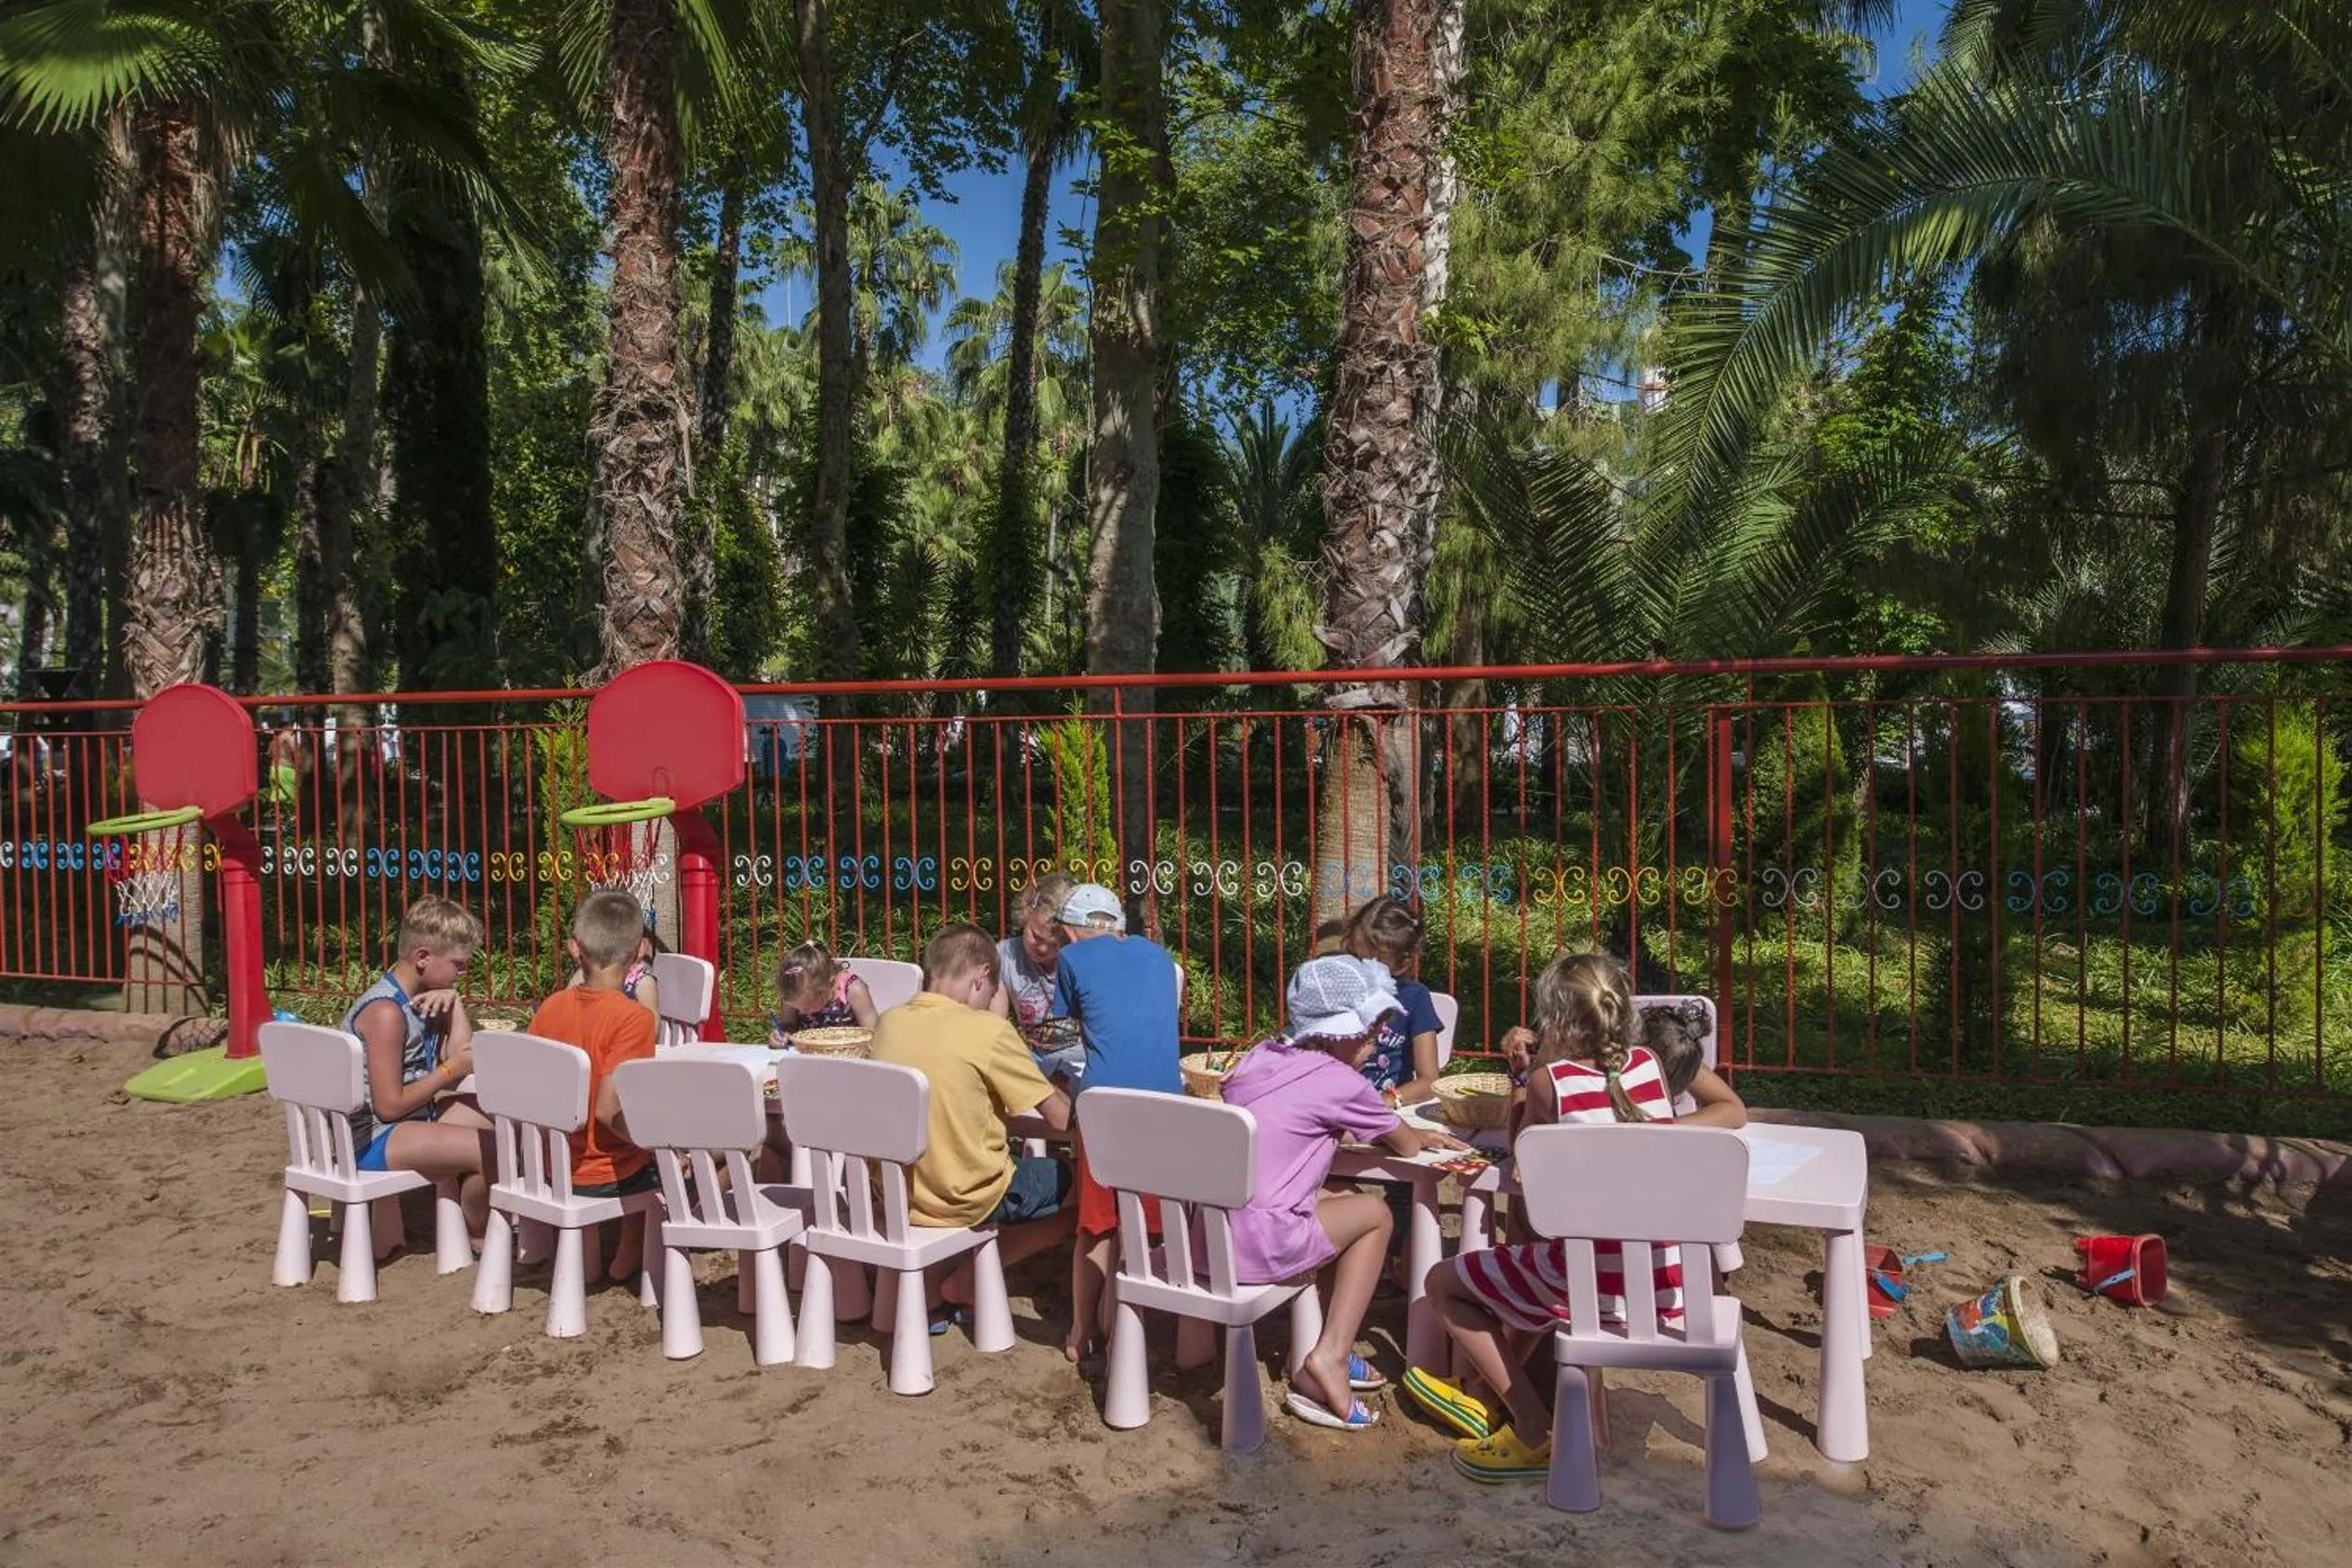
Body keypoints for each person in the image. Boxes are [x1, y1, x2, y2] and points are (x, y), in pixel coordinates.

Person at [1406, 952, 1747, 1483]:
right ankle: (1481, 1393)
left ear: (1558, 1022)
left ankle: (1532, 1424)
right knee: (1531, 1267)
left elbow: (1525, 1154)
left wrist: (1524, 1073)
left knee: (1443, 1283)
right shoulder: (1649, 1067)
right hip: (1669, 1286)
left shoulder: (1552, 1083)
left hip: (1587, 1286)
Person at [1219, 956, 1470, 1430]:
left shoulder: (1259, 1058)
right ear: (1340, 1032)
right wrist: (1408, 1134)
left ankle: (1315, 1341)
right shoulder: (1341, 1082)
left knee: (1342, 1194)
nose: (1376, 1046)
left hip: (1216, 1230)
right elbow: (1406, 1143)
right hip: (1263, 1244)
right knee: (1376, 1214)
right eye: (1370, 1033)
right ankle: (1330, 1355)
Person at [870, 922, 1077, 1324]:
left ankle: (942, 1283)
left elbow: (962, 1109)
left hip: (901, 1193)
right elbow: (1061, 1118)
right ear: (982, 976)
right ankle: (967, 1280)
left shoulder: (889, 1023)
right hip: (968, 1196)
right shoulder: (987, 1031)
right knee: (1084, 1192)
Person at [1048, 882, 1182, 1361]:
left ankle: (1082, 1331)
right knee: (1143, 1223)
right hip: (1168, 1105)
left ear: (1074, 929)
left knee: (1095, 1224)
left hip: (1107, 1107)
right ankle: (1129, 1324)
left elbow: (1069, 1026)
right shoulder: (1162, 958)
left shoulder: (1073, 960)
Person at [525, 889, 660, 1283]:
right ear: (639, 950)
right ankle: (630, 1255)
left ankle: (593, 1258)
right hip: (603, 1173)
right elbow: (607, 1111)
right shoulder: (633, 1019)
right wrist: (656, 1143)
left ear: (574, 949)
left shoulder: (551, 1007)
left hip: (551, 1165)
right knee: (672, 1161)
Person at [343, 896, 494, 1243]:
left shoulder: (421, 998)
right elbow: (389, 1106)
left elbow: (461, 1052)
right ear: (423, 957)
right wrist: (448, 1070)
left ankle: (477, 1219)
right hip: (375, 1136)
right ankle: (479, 1231)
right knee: (493, 1149)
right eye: (457, 965)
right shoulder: (386, 1012)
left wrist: (454, 1003)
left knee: (508, 1121)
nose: (463, 972)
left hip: (409, 1119)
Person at [1340, 895, 1445, 1107]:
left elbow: (1429, 1079)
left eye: (1372, 964)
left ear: (1401, 964)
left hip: (1386, 1113)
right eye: (1353, 955)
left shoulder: (1414, 998)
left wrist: (1384, 1102)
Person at [988, 872, 1084, 1084]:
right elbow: (993, 1027)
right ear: (1026, 913)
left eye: (1056, 945)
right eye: (1035, 936)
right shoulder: (1005, 956)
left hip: (1085, 1065)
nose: (1042, 948)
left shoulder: (1083, 959)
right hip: (1036, 1065)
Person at [764, 938, 878, 1044]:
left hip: (849, 1055)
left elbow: (875, 1034)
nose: (803, 1012)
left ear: (828, 985)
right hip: (810, 1055)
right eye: (798, 1008)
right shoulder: (794, 992)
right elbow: (789, 1026)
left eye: (807, 1007)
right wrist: (780, 1036)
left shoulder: (853, 990)